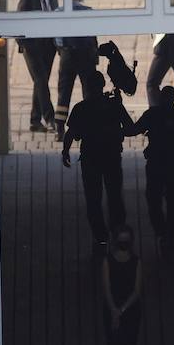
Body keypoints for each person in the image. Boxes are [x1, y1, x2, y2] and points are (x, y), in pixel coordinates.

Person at [62, 71, 134, 250]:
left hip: (90, 158)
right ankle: (117, 230)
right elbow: (131, 127)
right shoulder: (113, 105)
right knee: (115, 195)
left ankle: (101, 237)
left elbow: (71, 133)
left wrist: (65, 151)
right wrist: (115, 132)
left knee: (93, 199)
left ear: (86, 87)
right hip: (111, 156)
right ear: (102, 85)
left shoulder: (81, 108)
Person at [128, 84, 174, 248]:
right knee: (173, 200)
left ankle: (161, 231)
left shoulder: (152, 114)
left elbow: (133, 130)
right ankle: (171, 234)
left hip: (155, 162)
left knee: (153, 198)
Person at [54, 0, 100, 140]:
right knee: (89, 91)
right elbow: (92, 35)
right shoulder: (88, 11)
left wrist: (63, 51)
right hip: (85, 55)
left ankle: (59, 128)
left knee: (64, 92)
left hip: (67, 55)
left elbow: (57, 37)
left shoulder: (59, 12)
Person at [16, 0, 60, 133]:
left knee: (40, 83)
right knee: (41, 80)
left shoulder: (53, 0)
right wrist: (23, 44)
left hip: (49, 48)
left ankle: (35, 121)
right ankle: (50, 118)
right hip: (32, 49)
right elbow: (19, 22)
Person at [102, 226, 142, 345]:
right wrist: (113, 310)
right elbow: (106, 287)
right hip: (112, 307)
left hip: (130, 310)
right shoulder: (107, 261)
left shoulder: (136, 261)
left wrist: (121, 310)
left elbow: (137, 290)